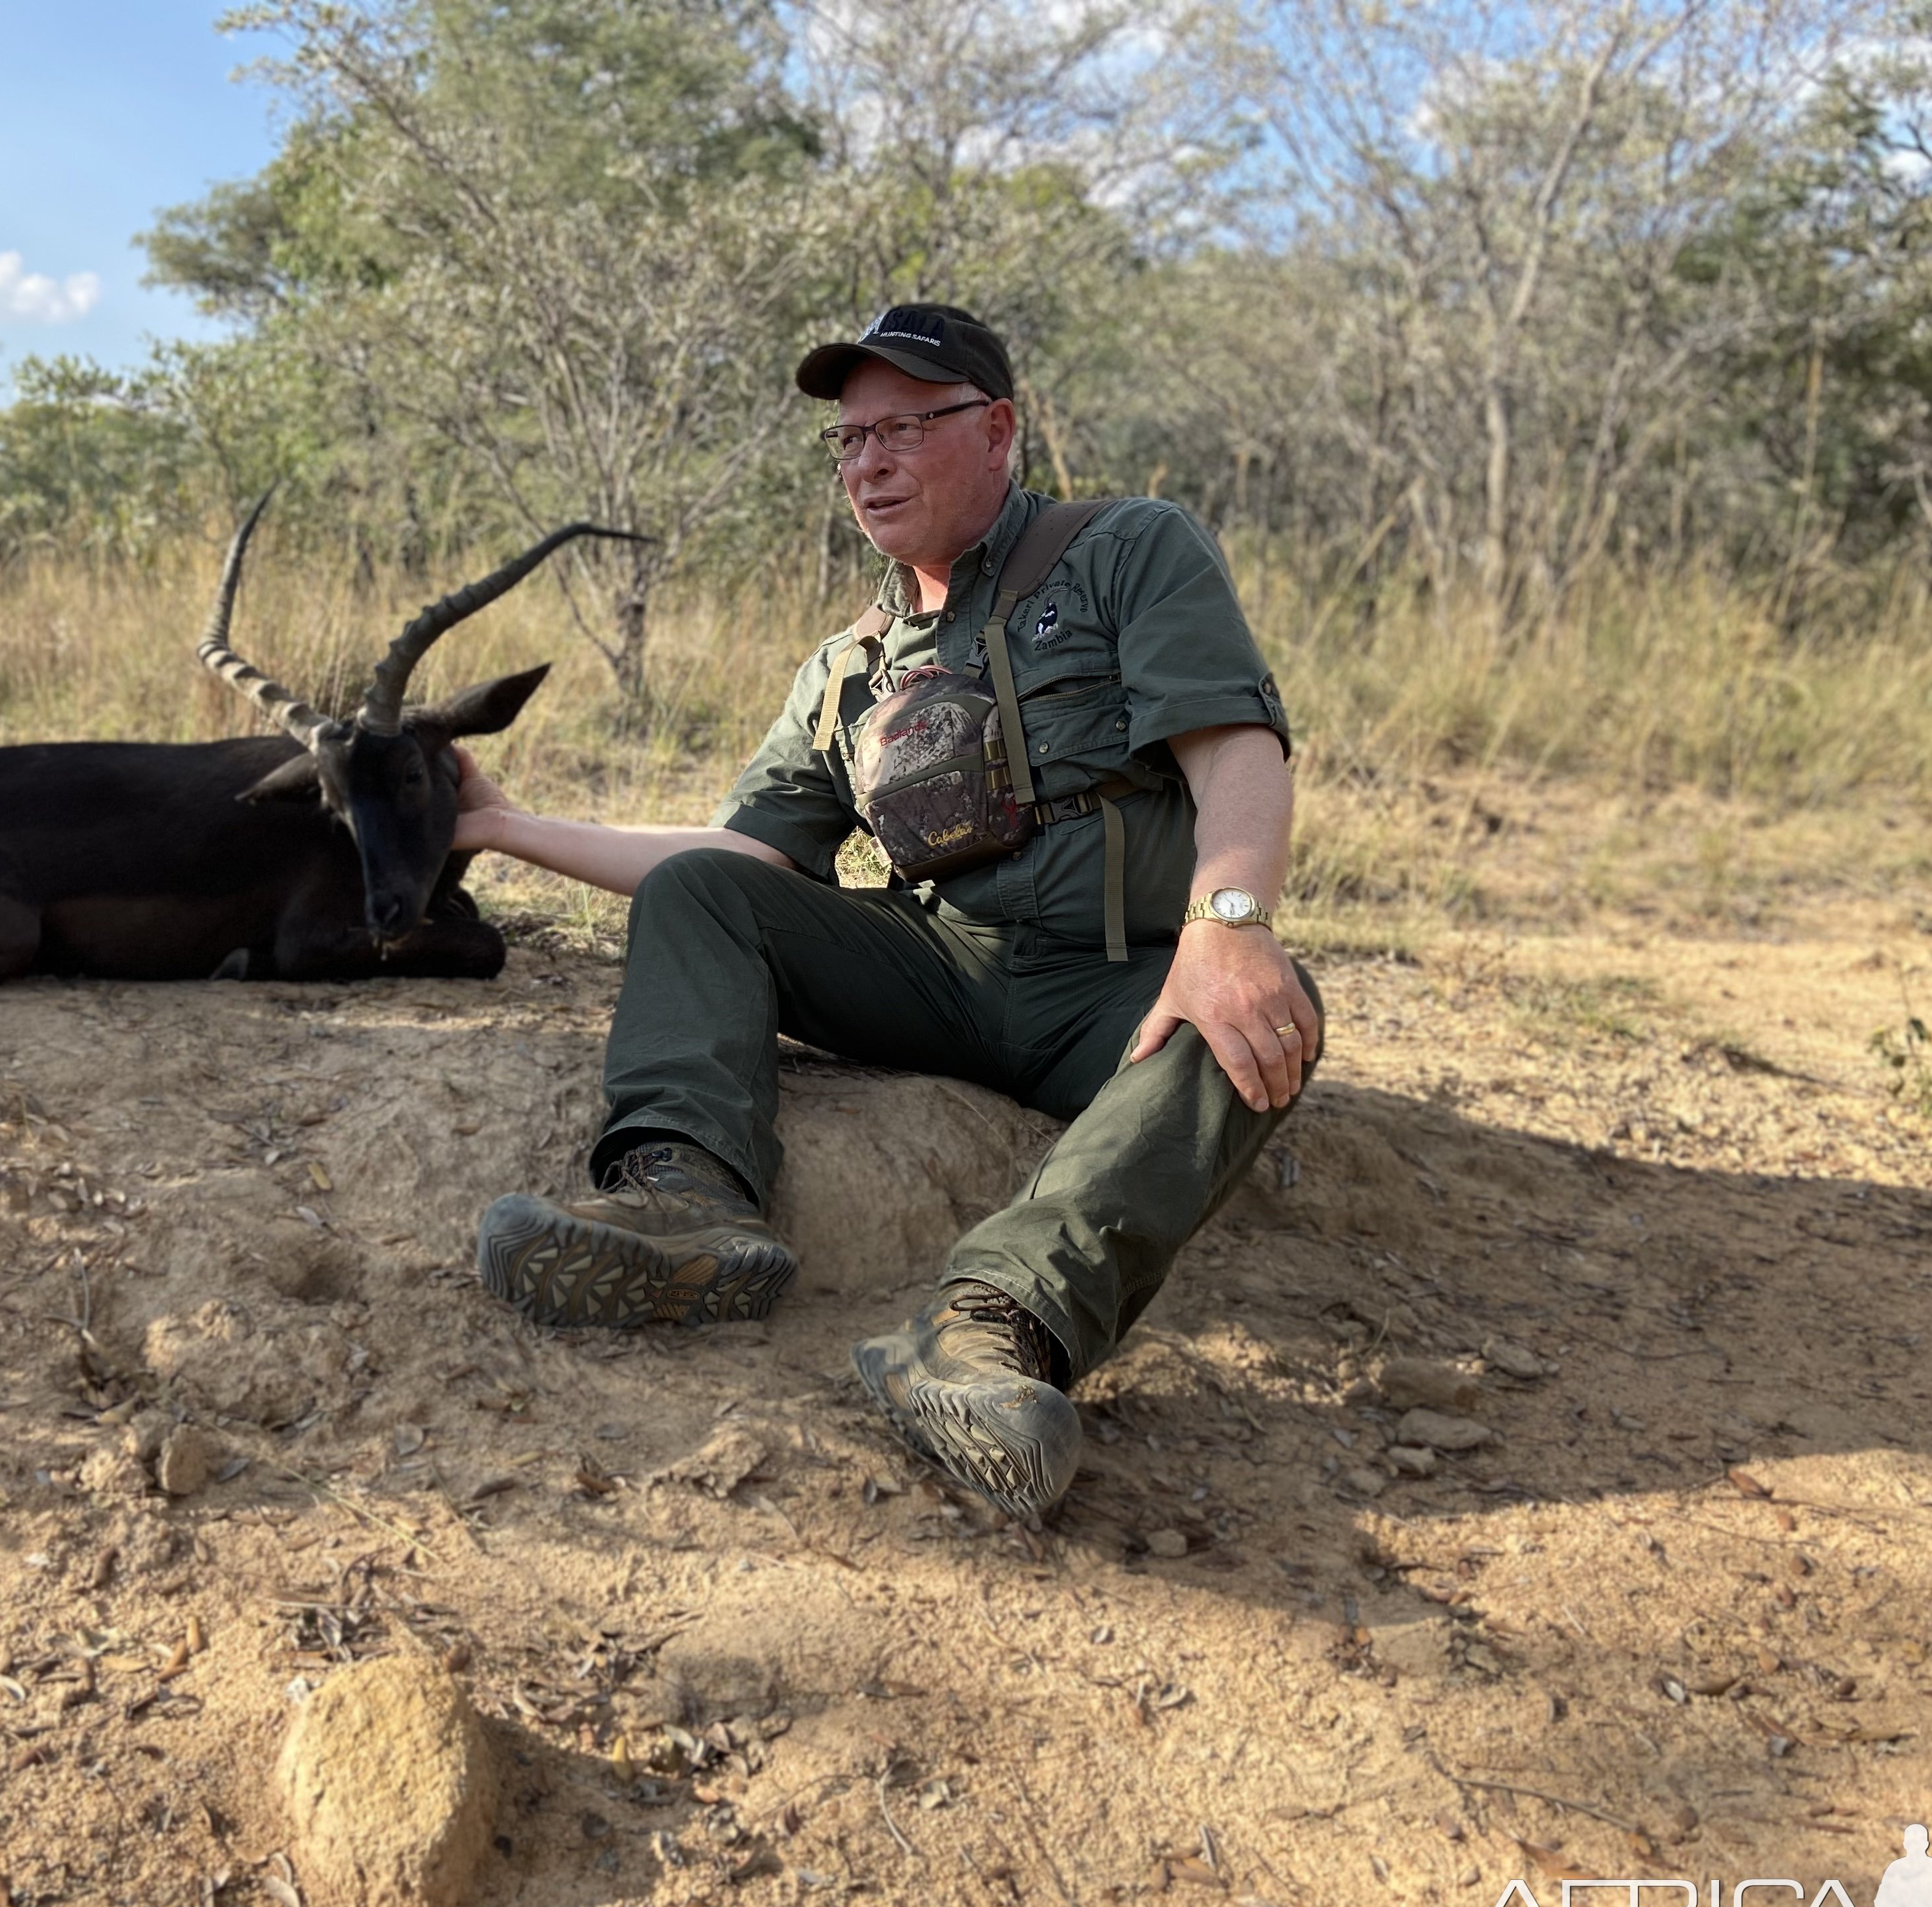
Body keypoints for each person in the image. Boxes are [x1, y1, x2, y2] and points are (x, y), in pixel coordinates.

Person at [455, 303, 1322, 1519]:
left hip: (1119, 987)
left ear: (997, 431)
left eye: (904, 428)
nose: (867, 462)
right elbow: (738, 857)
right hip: (943, 973)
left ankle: (989, 1330)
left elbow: (1234, 740)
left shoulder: (1127, 549)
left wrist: (1228, 921)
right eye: (849, 441)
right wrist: (502, 826)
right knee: (704, 894)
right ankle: (684, 1209)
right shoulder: (845, 668)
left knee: (1258, 1017)